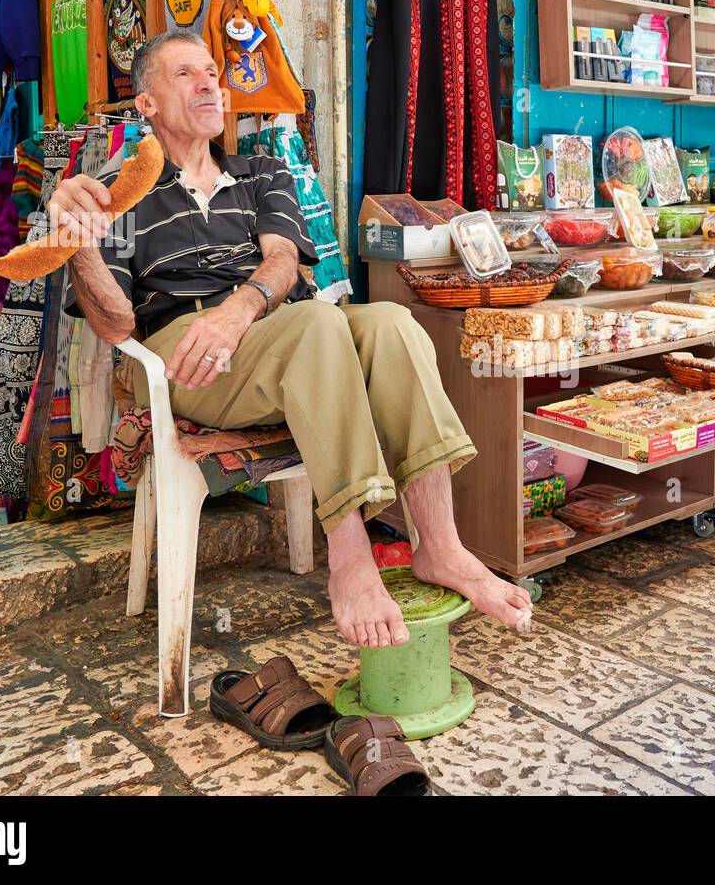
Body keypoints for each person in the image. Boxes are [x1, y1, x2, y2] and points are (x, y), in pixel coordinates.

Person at [53, 32, 531, 649]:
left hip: (271, 322)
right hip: (188, 351)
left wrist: (238, 310)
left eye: (211, 72)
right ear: (145, 104)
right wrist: (79, 244)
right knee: (318, 324)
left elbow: (282, 264)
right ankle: (352, 556)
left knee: (390, 322)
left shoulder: (261, 172)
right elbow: (116, 326)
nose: (208, 84)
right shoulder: (117, 192)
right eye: (184, 75)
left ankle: (439, 545)